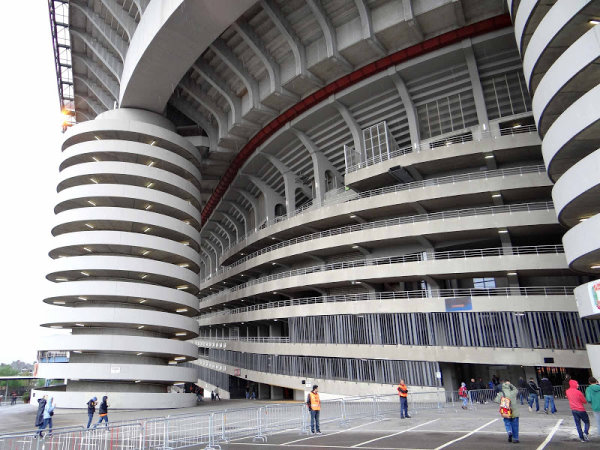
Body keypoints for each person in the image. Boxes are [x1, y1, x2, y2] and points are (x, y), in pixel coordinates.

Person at [494, 379, 520, 443]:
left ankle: (509, 431)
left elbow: (496, 400)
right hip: (514, 411)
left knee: (507, 423)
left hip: (506, 410)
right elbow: (516, 390)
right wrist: (510, 385)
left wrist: (502, 400)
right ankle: (515, 438)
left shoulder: (501, 393)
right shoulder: (513, 392)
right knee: (515, 425)